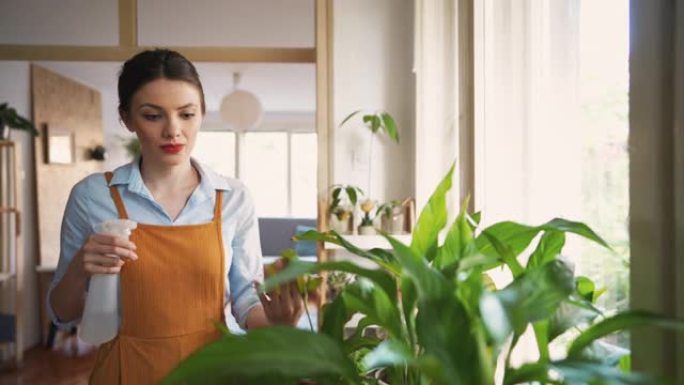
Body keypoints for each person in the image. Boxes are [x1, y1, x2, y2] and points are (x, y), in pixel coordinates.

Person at [47, 48, 304, 384]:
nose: (173, 131)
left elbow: (245, 301)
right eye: (153, 116)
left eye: (186, 114)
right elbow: (62, 313)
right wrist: (82, 265)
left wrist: (278, 323)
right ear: (126, 118)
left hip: (212, 372)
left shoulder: (232, 199)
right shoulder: (92, 197)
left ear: (201, 114)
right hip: (125, 372)